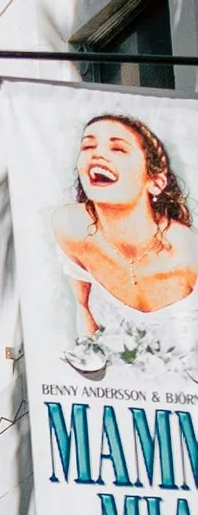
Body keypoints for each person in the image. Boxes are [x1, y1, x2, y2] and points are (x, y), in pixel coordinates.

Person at [55, 110, 198, 361]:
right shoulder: (70, 228)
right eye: (88, 146)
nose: (97, 154)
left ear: (155, 182)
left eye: (118, 149)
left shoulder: (187, 252)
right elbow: (83, 309)